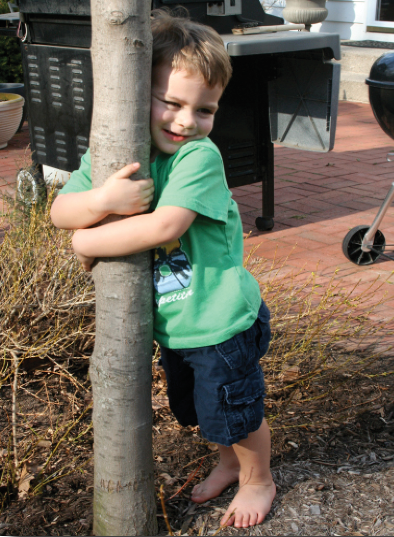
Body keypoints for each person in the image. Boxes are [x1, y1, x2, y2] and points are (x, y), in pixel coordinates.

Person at [50, 9, 276, 529]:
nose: (185, 121)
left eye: (204, 110)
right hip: (177, 326)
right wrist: (103, 197)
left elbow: (164, 227)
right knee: (203, 411)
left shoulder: (199, 158)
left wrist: (88, 240)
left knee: (239, 415)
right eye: (170, 102)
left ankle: (257, 477)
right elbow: (61, 210)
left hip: (219, 322)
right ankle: (227, 465)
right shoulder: (114, 155)